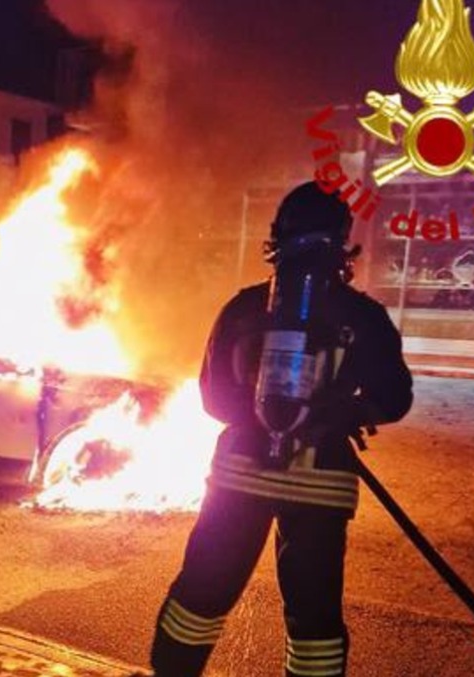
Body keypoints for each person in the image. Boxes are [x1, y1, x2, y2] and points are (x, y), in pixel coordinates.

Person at [148, 182, 413, 676]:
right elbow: (396, 399)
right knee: (313, 620)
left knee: (200, 595)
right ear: (342, 243)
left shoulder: (244, 308)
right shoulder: (365, 317)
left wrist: (258, 410)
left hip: (239, 479)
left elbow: (213, 400)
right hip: (321, 487)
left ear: (277, 238)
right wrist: (346, 413)